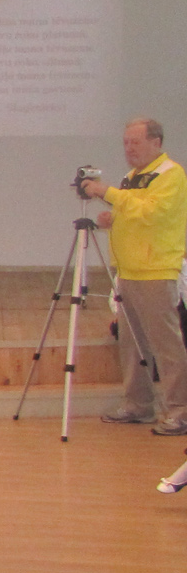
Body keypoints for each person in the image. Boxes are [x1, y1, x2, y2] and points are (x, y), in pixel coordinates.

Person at [82, 118, 187, 436]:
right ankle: (138, 404)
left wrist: (108, 193)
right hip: (128, 271)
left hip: (156, 270)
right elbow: (133, 212)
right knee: (132, 344)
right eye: (126, 142)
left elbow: (152, 212)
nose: (129, 148)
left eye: (135, 142)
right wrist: (112, 219)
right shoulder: (131, 179)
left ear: (156, 142)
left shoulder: (171, 174)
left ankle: (181, 412)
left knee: (166, 345)